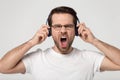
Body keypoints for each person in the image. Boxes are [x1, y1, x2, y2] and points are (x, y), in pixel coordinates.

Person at [0, 6, 120, 80]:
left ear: (76, 31)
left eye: (68, 26)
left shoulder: (89, 58)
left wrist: (94, 41)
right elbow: (3, 67)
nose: (63, 31)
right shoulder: (37, 58)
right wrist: (31, 42)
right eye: (57, 26)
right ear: (49, 31)